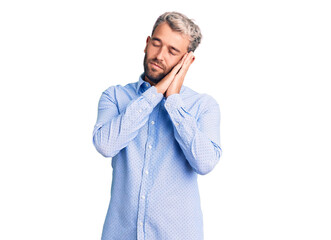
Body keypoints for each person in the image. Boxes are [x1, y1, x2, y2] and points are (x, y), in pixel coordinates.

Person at [92, 11, 222, 240]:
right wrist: (155, 94)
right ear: (146, 43)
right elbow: (105, 146)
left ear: (187, 61)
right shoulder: (115, 96)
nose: (159, 55)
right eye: (156, 44)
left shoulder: (203, 106)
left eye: (172, 51)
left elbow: (205, 162)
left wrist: (173, 101)